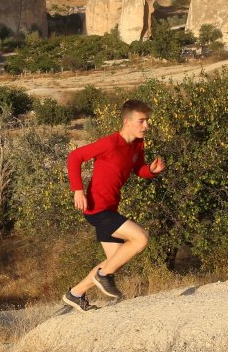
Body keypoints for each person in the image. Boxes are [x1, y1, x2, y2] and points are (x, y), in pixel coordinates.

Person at [62, 99, 165, 313]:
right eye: (142, 121)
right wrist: (78, 189)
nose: (147, 126)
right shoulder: (110, 143)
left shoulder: (137, 145)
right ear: (127, 122)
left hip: (110, 209)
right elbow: (75, 157)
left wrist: (151, 171)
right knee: (140, 238)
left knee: (114, 259)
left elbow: (138, 169)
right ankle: (102, 276)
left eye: (147, 121)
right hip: (97, 209)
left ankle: (76, 294)